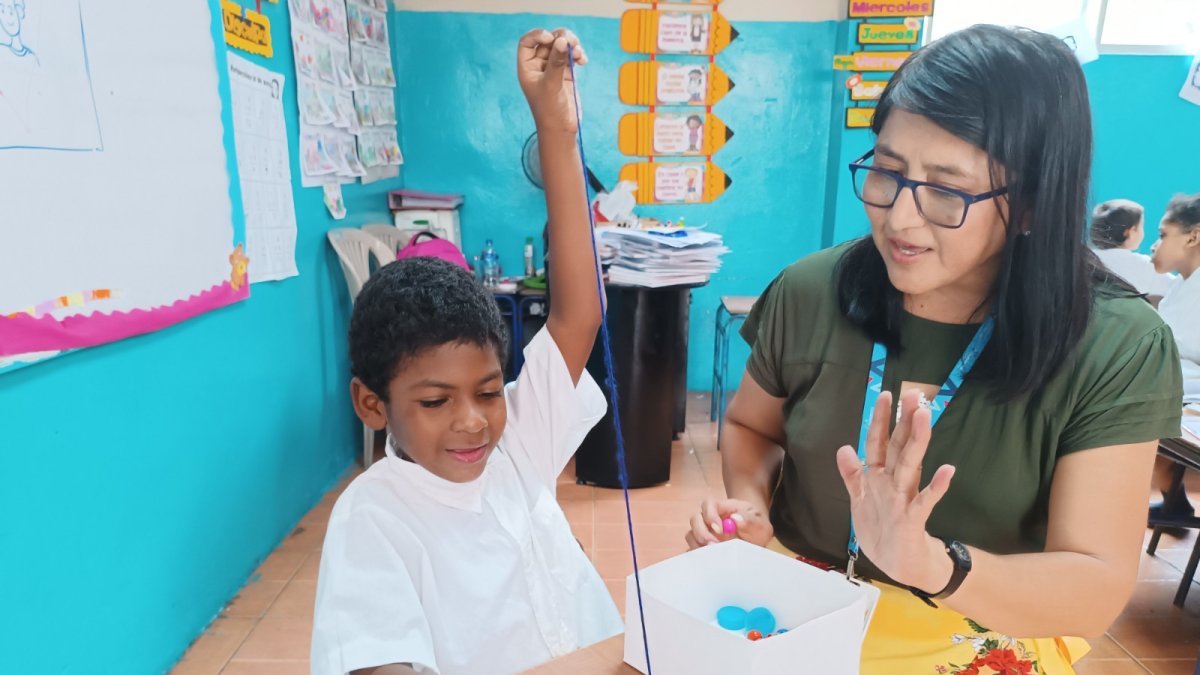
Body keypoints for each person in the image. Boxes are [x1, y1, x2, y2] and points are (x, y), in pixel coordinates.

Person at [686, 25, 1182, 674]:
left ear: (1031, 202)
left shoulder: (1116, 345)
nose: (899, 218)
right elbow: (752, 423)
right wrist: (749, 503)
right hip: (801, 609)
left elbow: (1092, 586)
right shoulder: (810, 290)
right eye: (888, 172)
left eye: (948, 190)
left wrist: (931, 565)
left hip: (978, 628)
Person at [310, 28, 622, 675]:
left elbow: (578, 315)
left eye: (487, 388)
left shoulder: (515, 442)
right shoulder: (372, 522)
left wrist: (557, 132)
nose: (474, 419)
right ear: (372, 403)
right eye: (434, 400)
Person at [1148, 192, 1200, 519]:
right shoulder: (1183, 286)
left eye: (1164, 235)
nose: (1155, 245)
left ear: (1193, 236)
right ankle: (1174, 501)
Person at [1090, 199, 1174, 299]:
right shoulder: (1145, 265)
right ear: (1129, 232)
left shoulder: (1086, 259)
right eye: (1140, 226)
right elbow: (1175, 288)